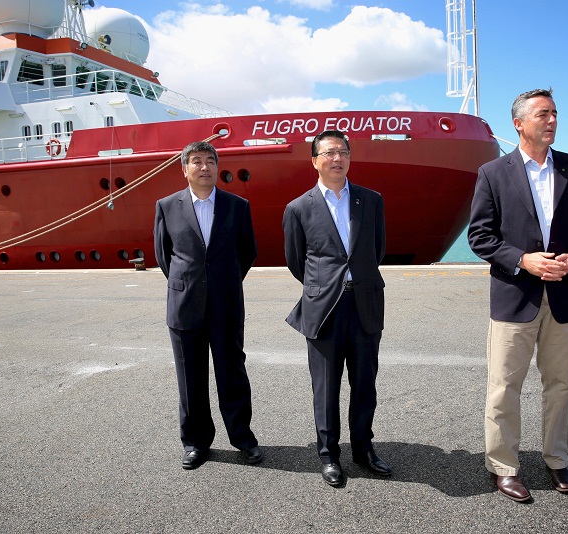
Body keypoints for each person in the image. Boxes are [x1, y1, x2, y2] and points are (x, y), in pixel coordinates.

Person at [468, 88, 568, 502]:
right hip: (514, 296)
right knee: (503, 386)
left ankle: (557, 459)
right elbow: (480, 236)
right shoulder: (493, 173)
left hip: (565, 297)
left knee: (561, 384)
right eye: (542, 114)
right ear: (519, 124)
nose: (552, 121)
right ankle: (503, 467)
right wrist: (522, 260)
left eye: (555, 113)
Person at [282, 130, 391, 487]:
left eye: (343, 151)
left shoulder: (370, 200)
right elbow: (296, 260)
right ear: (314, 160)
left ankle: (363, 448)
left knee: (365, 384)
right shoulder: (299, 208)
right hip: (324, 307)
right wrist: (324, 285)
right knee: (326, 387)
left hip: (364, 303)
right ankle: (329, 455)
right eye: (329, 152)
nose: (337, 158)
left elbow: (376, 249)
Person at [154, 141, 263, 470]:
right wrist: (189, 283)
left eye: (210, 161)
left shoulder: (237, 206)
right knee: (190, 378)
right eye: (197, 161)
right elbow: (164, 255)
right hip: (185, 304)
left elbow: (247, 251)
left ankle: (243, 438)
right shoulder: (167, 206)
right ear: (184, 169)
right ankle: (195, 442)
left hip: (226, 303)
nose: (204, 167)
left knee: (232, 373)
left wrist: (223, 282)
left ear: (217, 167)